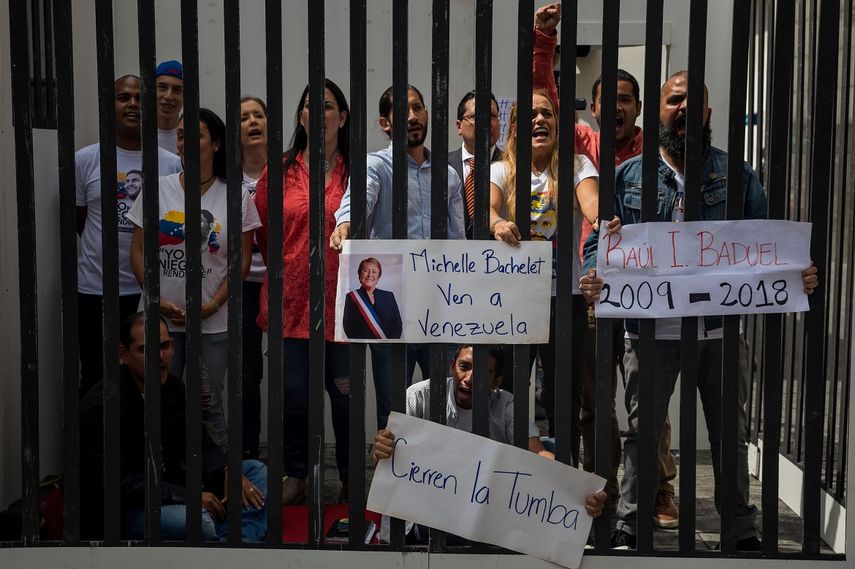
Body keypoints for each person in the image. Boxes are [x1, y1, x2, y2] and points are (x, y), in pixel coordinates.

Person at [579, 70, 820, 550]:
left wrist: (798, 273)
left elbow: (766, 244)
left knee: (730, 435)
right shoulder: (628, 177)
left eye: (695, 101)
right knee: (641, 433)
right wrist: (593, 275)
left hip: (719, 332)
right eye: (675, 100)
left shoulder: (737, 176)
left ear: (708, 112)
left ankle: (739, 531)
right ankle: (632, 528)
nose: (685, 108)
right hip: (651, 330)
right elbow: (597, 246)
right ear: (660, 110)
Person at [533, 2, 677, 527]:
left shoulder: (660, 153)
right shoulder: (584, 144)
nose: (615, 106)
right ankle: (602, 493)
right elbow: (544, 97)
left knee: (648, 402)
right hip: (595, 291)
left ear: (638, 108)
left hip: (648, 292)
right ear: (592, 109)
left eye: (625, 99)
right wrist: (543, 40)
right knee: (595, 403)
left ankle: (658, 490)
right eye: (606, 99)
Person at [488, 87, 618, 450]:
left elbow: (591, 201)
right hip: (514, 299)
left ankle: (564, 469)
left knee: (563, 396)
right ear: (515, 128)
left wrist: (600, 217)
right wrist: (497, 223)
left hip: (565, 298)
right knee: (507, 392)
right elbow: (488, 207)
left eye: (547, 113)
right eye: (530, 115)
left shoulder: (577, 165)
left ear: (557, 125)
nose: (540, 119)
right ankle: (510, 467)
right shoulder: (501, 170)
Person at [329, 84, 465, 430]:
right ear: (385, 123)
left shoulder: (448, 175)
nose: (413, 117)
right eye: (403, 110)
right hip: (392, 313)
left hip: (440, 308)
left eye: (417, 108)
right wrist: (345, 223)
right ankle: (394, 467)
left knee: (447, 409)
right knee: (393, 412)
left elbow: (458, 241)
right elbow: (358, 199)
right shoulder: (376, 165)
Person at [372, 345, 608, 543]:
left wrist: (579, 493)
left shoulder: (505, 404)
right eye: (464, 366)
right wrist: (381, 450)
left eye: (484, 373)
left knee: (557, 450)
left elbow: (537, 451)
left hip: (482, 515)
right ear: (451, 366)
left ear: (497, 382)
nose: (470, 379)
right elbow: (386, 457)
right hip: (427, 517)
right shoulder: (419, 396)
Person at [127, 108, 262, 452]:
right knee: (158, 396)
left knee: (206, 400)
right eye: (181, 135)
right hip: (160, 320)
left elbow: (241, 262)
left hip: (213, 322)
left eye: (195, 135)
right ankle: (162, 467)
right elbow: (138, 252)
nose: (185, 142)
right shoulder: (157, 189)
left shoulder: (236, 196)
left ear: (215, 143)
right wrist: (156, 301)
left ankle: (216, 470)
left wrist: (212, 305)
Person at [79, 312, 267, 541]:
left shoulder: (173, 388)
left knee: (256, 472)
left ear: (173, 347)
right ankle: (234, 537)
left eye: (164, 346)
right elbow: (123, 484)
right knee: (199, 521)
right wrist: (189, 497)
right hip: (130, 508)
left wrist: (227, 471)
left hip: (173, 487)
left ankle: (233, 541)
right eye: (145, 350)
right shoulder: (103, 406)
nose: (159, 357)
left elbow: (199, 442)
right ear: (123, 354)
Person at [254, 79, 351, 505]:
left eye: (327, 106)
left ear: (342, 117)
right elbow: (263, 234)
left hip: (344, 305)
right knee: (294, 396)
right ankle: (298, 474)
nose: (319, 113)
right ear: (301, 116)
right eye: (310, 105)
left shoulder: (358, 171)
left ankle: (350, 477)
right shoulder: (279, 172)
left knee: (345, 397)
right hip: (291, 304)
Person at [74, 74, 182, 397]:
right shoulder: (86, 160)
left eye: (140, 98)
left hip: (149, 291)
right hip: (95, 288)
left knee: (148, 376)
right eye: (124, 97)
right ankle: (98, 432)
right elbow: (79, 220)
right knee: (96, 375)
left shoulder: (170, 164)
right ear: (110, 106)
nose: (133, 104)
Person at [239, 95, 269, 459]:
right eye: (244, 117)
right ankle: (248, 451)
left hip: (284, 283)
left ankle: (296, 460)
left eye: (258, 115)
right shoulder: (225, 178)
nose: (252, 122)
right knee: (248, 371)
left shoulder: (288, 171)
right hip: (243, 285)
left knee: (294, 375)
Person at [449, 90, 503, 239]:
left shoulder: (512, 166)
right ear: (459, 126)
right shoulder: (440, 167)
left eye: (492, 116)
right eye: (475, 116)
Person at [342, 257, 403, 340]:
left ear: (378, 277)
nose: (370, 274)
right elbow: (348, 326)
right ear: (359, 275)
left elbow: (397, 325)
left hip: (387, 345)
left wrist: (389, 343)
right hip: (362, 346)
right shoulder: (352, 297)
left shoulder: (389, 296)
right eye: (365, 270)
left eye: (374, 272)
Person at [155, 60, 184, 154]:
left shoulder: (193, 138)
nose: (168, 96)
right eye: (162, 87)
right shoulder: (136, 135)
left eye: (177, 90)